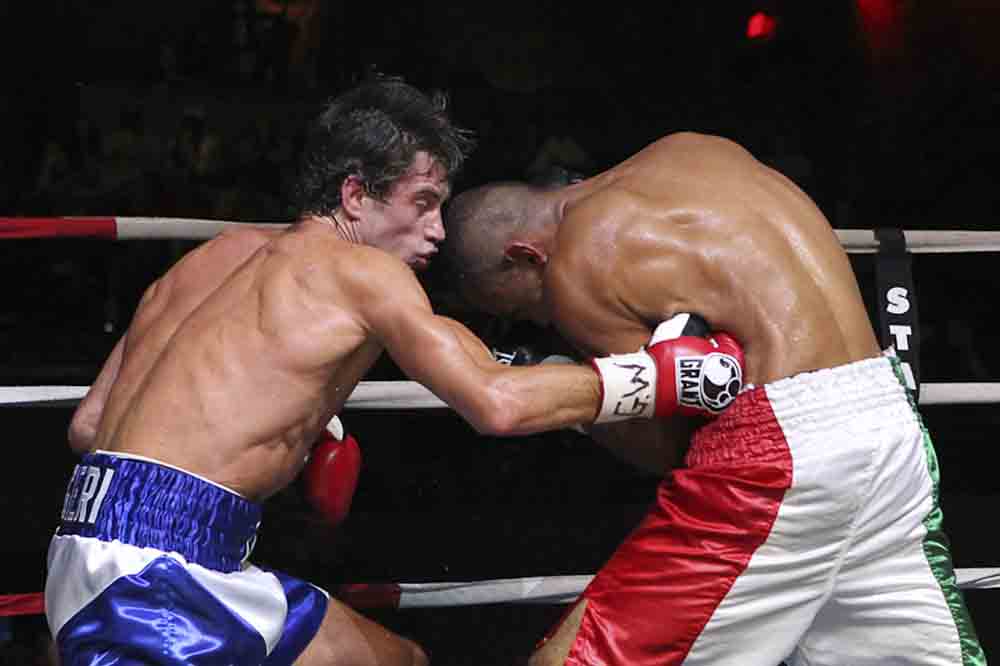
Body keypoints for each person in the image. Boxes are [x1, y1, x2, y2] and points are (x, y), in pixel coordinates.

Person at [45, 77, 723, 666]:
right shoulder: (363, 273)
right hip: (156, 576)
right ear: (354, 195)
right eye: (422, 202)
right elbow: (495, 402)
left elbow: (90, 426)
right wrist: (658, 377)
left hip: (109, 543)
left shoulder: (216, 255)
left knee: (399, 658)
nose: (438, 231)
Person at [441, 131, 985, 665]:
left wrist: (563, 391)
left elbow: (663, 448)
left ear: (523, 256)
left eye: (521, 308)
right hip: (890, 425)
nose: (542, 320)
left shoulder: (575, 265)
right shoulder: (693, 149)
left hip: (778, 453)